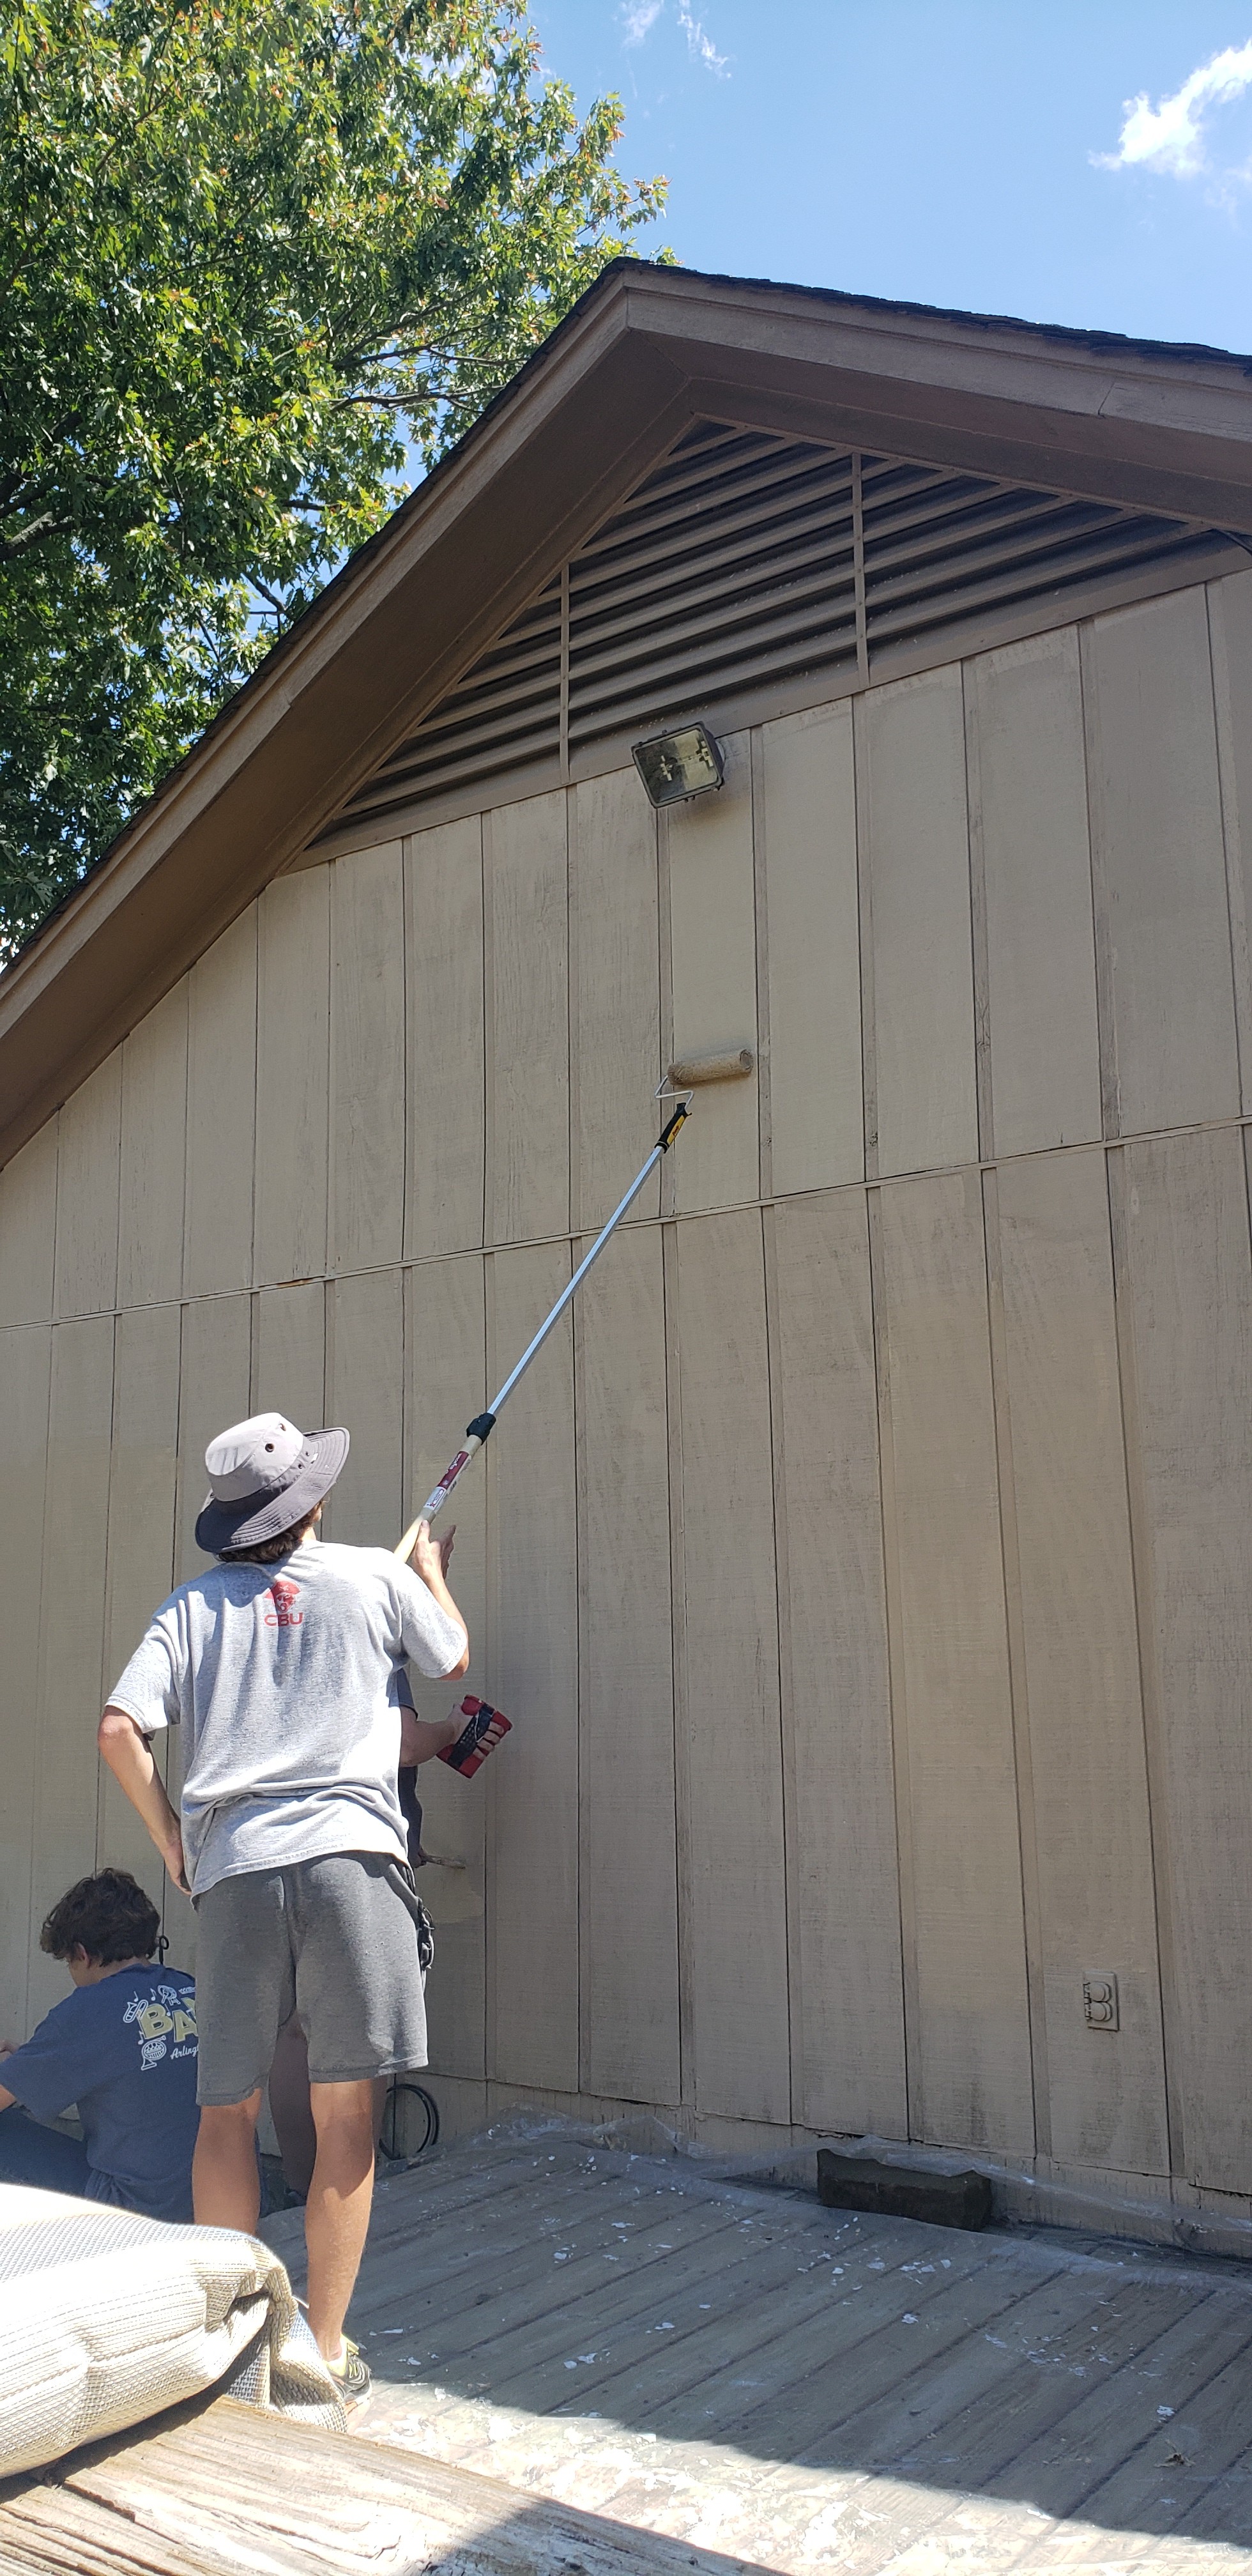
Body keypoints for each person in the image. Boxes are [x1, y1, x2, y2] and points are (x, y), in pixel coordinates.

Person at [96, 1410, 470, 2403]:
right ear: (314, 1497)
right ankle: (323, 2349)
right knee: (346, 2113)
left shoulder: (189, 1608)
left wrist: (172, 1840)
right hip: (353, 1862)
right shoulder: (372, 1576)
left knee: (226, 2112)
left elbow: (119, 1730)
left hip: (237, 1871)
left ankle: (236, 2346)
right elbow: (451, 1659)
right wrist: (428, 1571)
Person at [0, 1867, 199, 2221]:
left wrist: (13, 2074)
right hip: (221, 2201)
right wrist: (26, 2068)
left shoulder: (86, 2010)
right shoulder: (190, 1990)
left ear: (82, 1953)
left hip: (136, 2210)